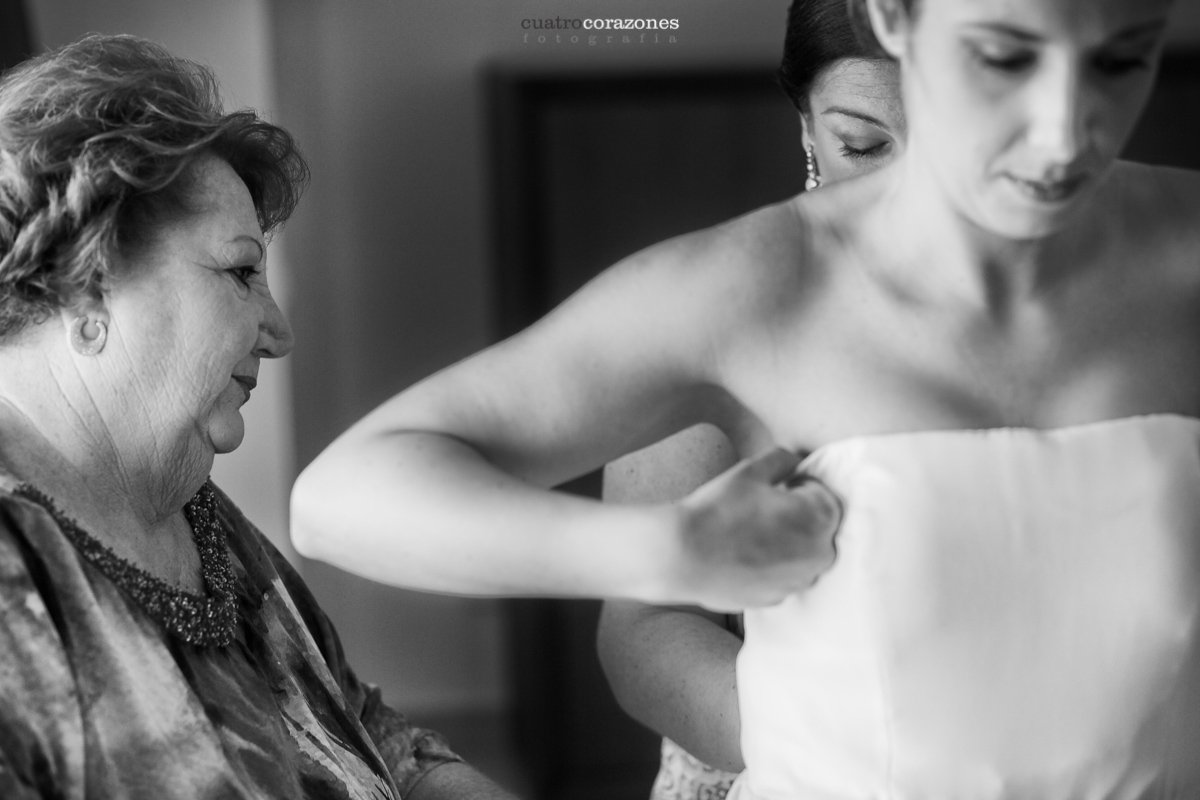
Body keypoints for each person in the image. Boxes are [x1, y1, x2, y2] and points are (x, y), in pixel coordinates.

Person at [293, 0, 1200, 794]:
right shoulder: (746, 296)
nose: (1059, 134)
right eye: (1003, 59)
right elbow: (346, 497)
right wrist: (668, 549)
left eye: (1124, 57)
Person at [0, 34, 516, 799]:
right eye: (241, 272)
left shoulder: (204, 521)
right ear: (89, 287)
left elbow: (365, 732)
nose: (279, 333)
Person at [595, 1, 906, 796]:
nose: (913, 187)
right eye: (865, 145)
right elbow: (643, 626)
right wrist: (827, 747)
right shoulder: (720, 313)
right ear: (807, 125)